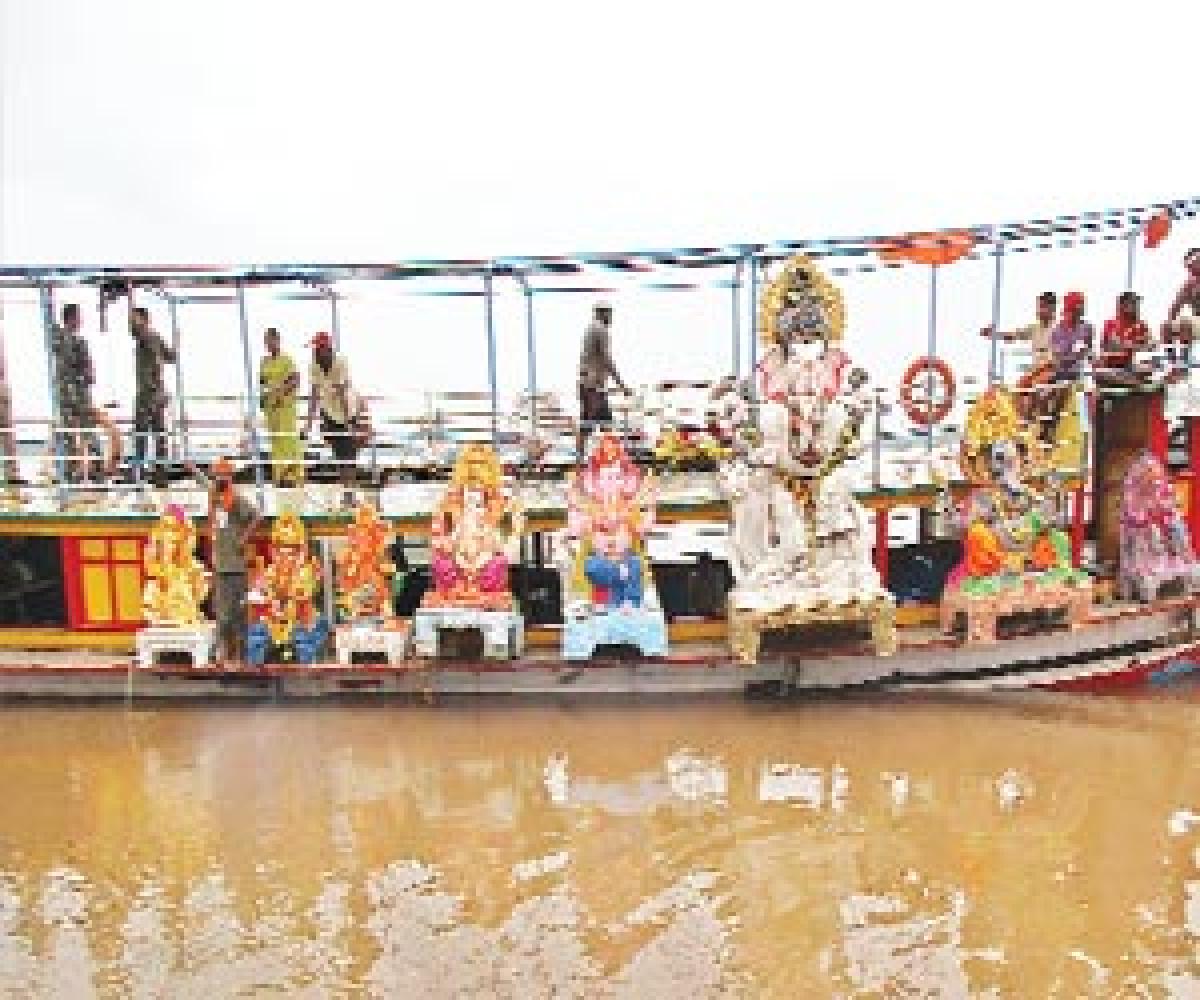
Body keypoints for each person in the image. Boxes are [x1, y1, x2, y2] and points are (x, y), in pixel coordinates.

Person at [191, 457, 263, 665]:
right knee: (222, 615)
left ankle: (240, 656)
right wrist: (193, 468)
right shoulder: (215, 496)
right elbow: (203, 481)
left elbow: (257, 516)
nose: (218, 478)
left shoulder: (236, 500)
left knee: (239, 614)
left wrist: (244, 538)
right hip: (221, 566)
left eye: (223, 475)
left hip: (237, 567)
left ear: (229, 477)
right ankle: (223, 654)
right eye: (217, 475)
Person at [303, 331, 358, 493]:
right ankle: (345, 492)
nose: (314, 352)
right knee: (339, 457)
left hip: (348, 411)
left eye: (317, 349)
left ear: (326, 349)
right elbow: (314, 395)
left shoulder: (340, 363)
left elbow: (342, 393)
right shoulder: (313, 365)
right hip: (329, 413)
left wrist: (349, 422)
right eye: (314, 349)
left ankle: (350, 494)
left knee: (349, 459)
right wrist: (307, 425)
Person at [49, 303, 98, 483]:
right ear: (72, 318)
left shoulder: (59, 338)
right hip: (78, 395)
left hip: (67, 395)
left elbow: (50, 320)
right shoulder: (76, 341)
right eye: (79, 316)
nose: (81, 319)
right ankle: (95, 471)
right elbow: (90, 373)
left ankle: (72, 474)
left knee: (73, 434)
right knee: (87, 433)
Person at [130, 306, 177, 482]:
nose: (136, 322)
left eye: (138, 318)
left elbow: (171, 357)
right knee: (145, 436)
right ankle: (143, 473)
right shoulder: (144, 337)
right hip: (150, 393)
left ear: (145, 319)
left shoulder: (151, 336)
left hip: (152, 394)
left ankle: (158, 473)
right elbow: (171, 357)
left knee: (155, 435)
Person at [577, 302, 628, 459]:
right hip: (593, 385)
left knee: (605, 421)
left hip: (590, 382)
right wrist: (621, 385)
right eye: (609, 314)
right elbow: (607, 359)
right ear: (602, 313)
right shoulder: (601, 330)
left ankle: (610, 456)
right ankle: (580, 457)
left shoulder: (591, 329)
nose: (611, 318)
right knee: (589, 422)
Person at [258, 327, 302, 487]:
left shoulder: (287, 360)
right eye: (266, 341)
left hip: (285, 407)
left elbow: (295, 380)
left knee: (288, 440)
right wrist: (263, 400)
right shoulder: (264, 361)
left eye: (270, 340)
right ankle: (279, 477)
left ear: (277, 340)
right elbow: (262, 382)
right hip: (271, 410)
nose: (268, 344)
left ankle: (292, 477)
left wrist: (281, 392)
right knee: (275, 442)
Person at [981, 291, 1058, 367]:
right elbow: (1013, 335)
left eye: (1042, 307)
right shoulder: (1034, 329)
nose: (1038, 311)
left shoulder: (1059, 328)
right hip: (1039, 372)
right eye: (1038, 307)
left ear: (1052, 308)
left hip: (1055, 372)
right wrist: (994, 334)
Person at [1099, 291, 1152, 373]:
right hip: (1110, 366)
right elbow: (1111, 346)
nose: (1137, 306)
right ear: (1122, 305)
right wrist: (1136, 346)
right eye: (1133, 303)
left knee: (1150, 365)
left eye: (1137, 303)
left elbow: (1150, 346)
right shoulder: (1111, 323)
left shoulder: (1141, 325)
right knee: (1101, 372)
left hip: (1132, 365)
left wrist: (1125, 345)